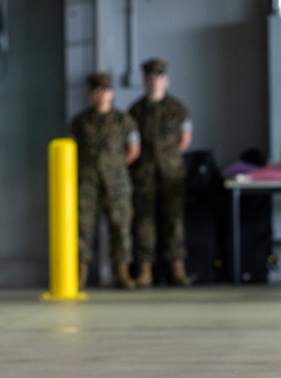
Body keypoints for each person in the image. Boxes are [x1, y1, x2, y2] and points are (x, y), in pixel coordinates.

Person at [68, 72, 140, 290]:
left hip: (117, 182)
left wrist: (114, 167)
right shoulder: (80, 122)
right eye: (97, 90)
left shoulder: (124, 120)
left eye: (106, 90)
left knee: (121, 226)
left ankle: (122, 273)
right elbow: (71, 152)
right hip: (86, 182)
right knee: (81, 227)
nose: (102, 94)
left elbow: (134, 151)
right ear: (91, 94)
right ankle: (79, 273)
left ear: (113, 93)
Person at [128, 58, 193, 287]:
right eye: (150, 78)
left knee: (174, 221)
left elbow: (185, 139)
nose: (154, 82)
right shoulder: (135, 111)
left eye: (159, 77)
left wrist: (170, 157)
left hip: (170, 173)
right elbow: (131, 142)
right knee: (144, 222)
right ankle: (145, 270)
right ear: (145, 82)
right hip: (144, 174)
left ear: (166, 80)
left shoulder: (178, 109)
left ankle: (177, 268)